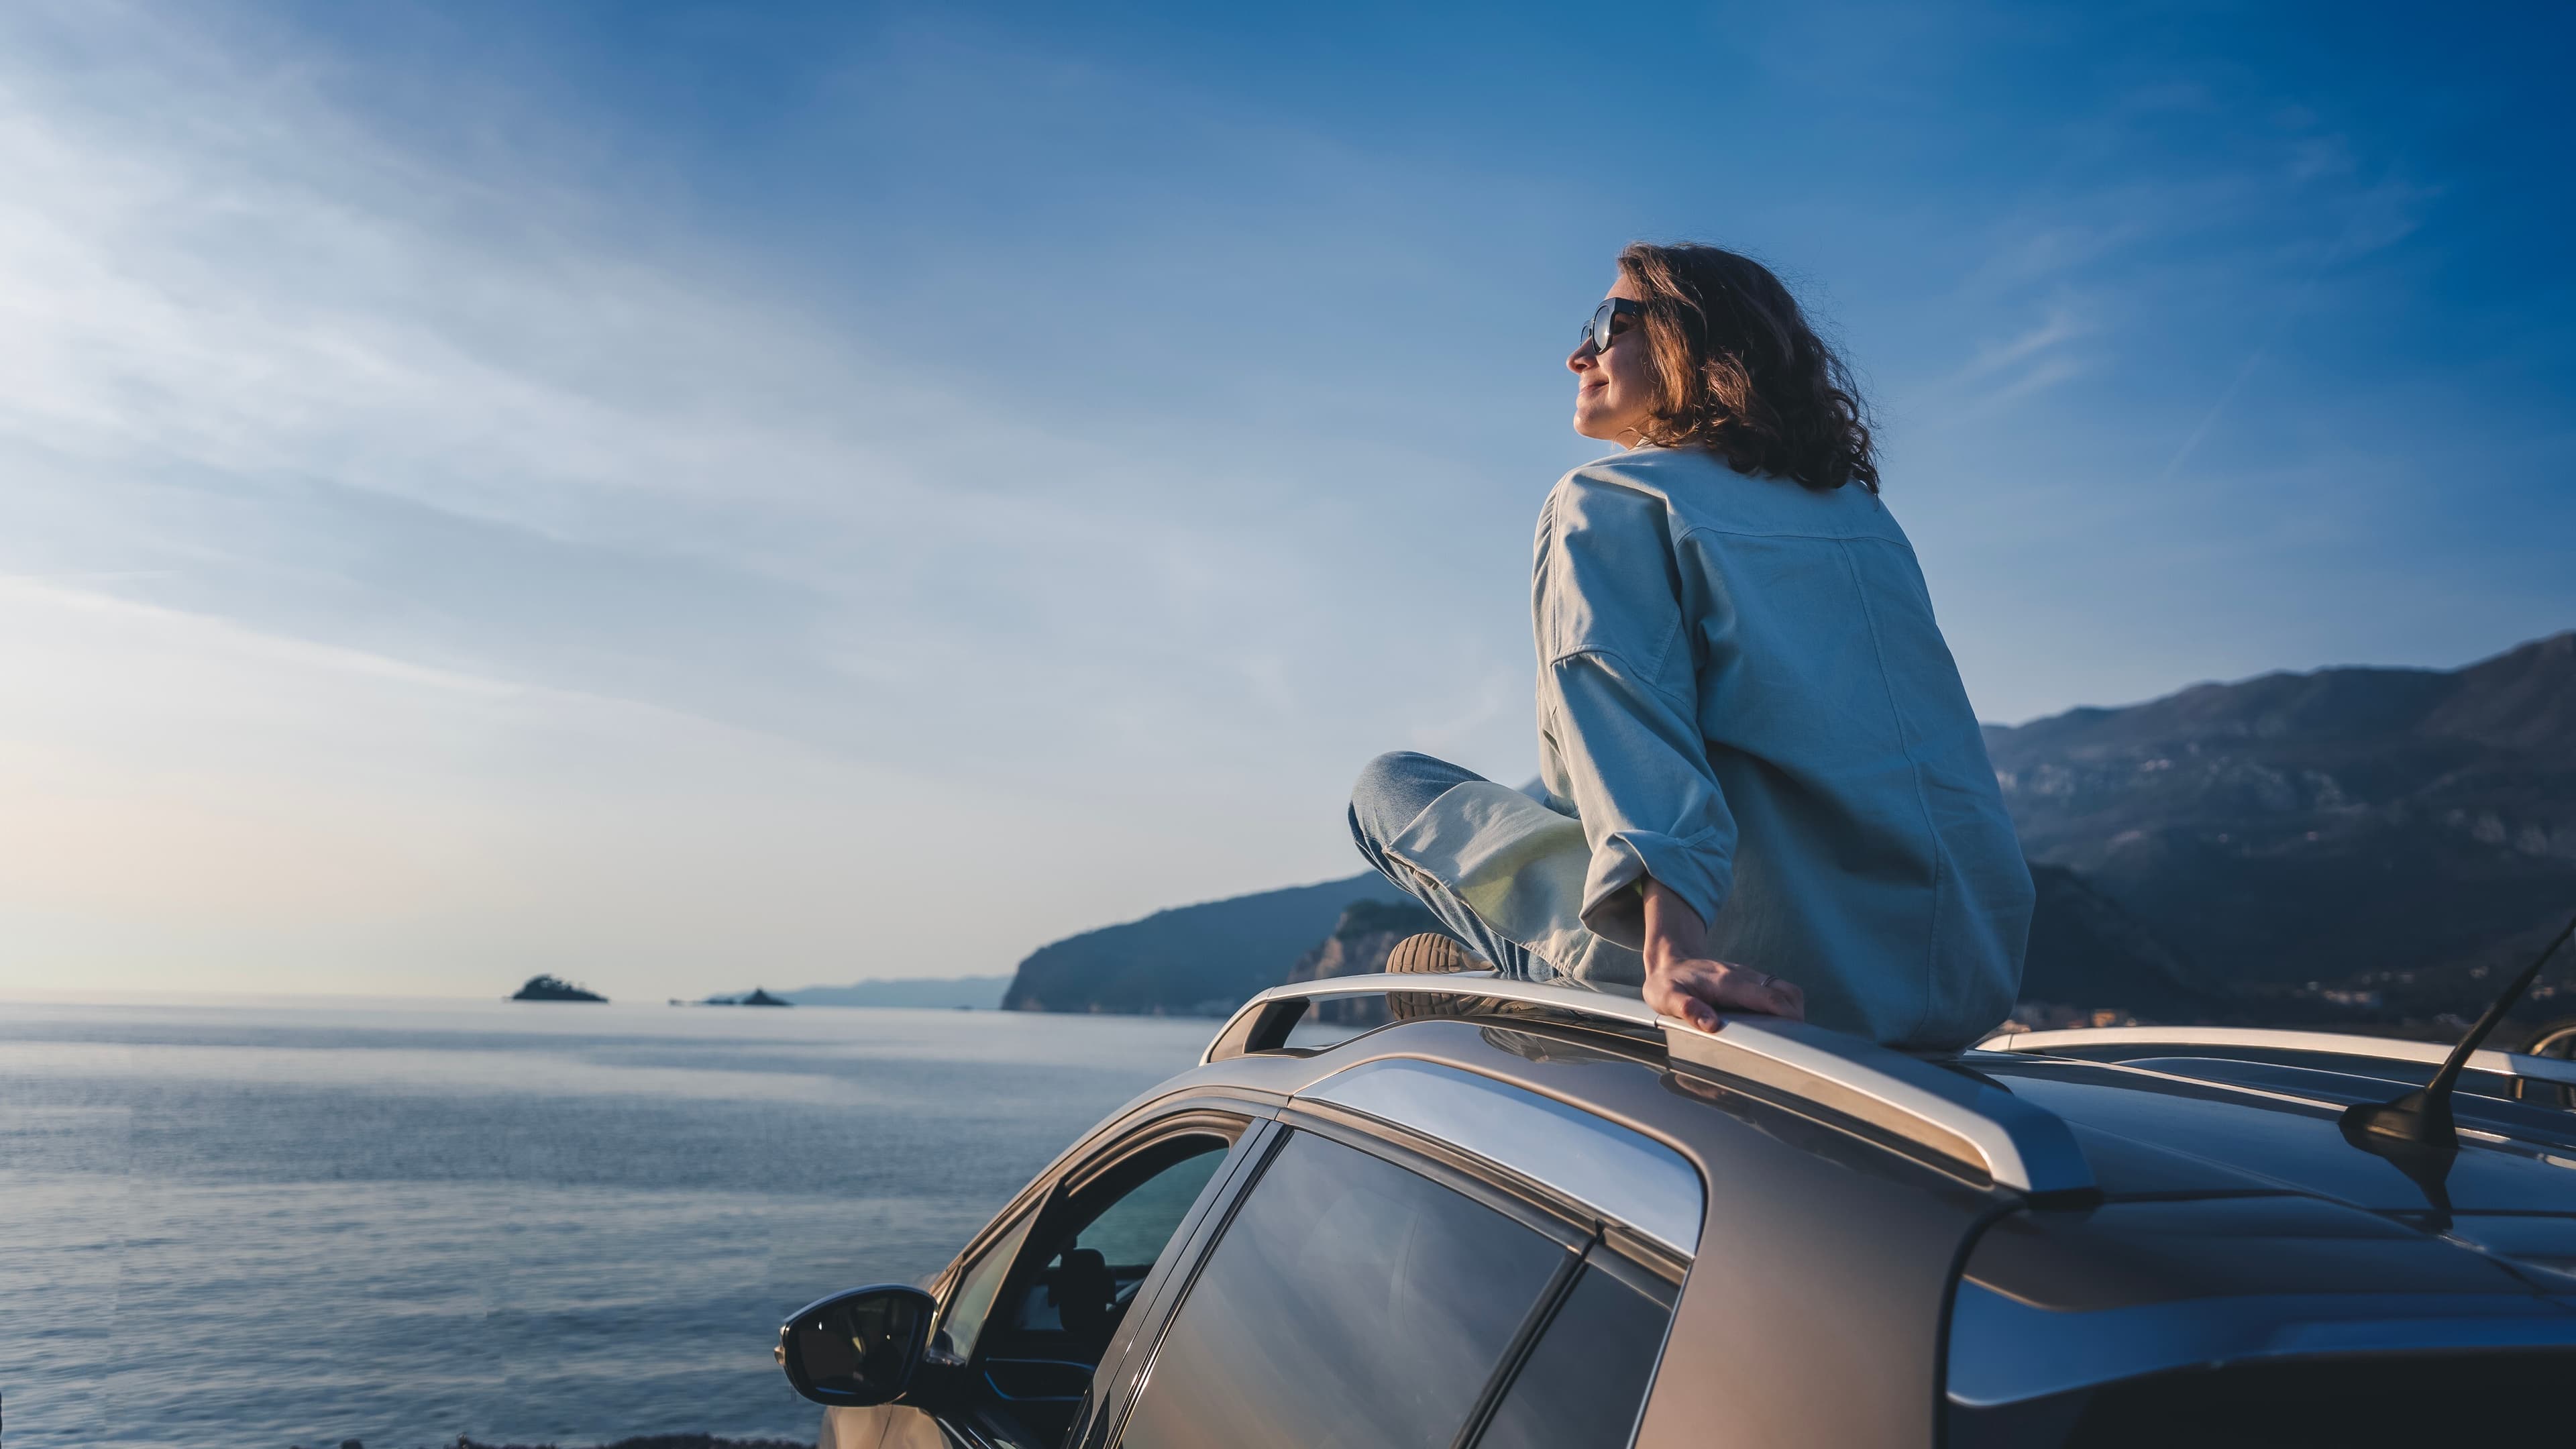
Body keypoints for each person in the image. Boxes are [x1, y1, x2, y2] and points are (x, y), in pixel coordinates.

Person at [1348, 243, 2033, 1051]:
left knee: (1387, 786)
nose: (1579, 353)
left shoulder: (1610, 498)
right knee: (1552, 780)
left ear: (1691, 342)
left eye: (1608, 324)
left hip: (1757, 975)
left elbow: (1630, 716)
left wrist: (1674, 953)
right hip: (1958, 980)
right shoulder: (1866, 521)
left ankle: (1552, 1001)